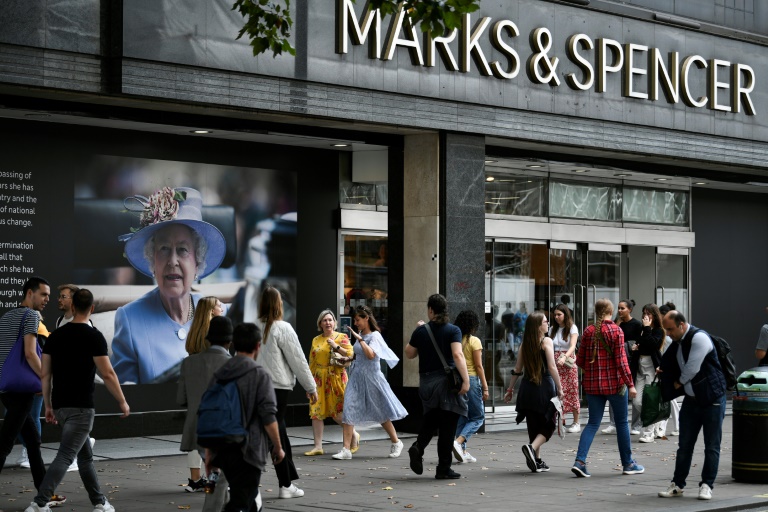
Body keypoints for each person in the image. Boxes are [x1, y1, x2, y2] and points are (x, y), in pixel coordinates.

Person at [24, 288, 130, 512]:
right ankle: (39, 503)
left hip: (61, 405)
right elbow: (108, 373)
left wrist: (49, 404)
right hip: (81, 408)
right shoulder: (94, 337)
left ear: (72, 307)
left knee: (85, 457)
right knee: (66, 456)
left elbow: (45, 374)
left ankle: (99, 502)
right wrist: (122, 401)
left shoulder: (56, 336)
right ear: (91, 308)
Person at [111, 187, 227, 384]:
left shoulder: (219, 313)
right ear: (152, 260)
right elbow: (127, 400)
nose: (172, 261)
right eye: (164, 249)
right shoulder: (129, 320)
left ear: (197, 262)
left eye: (182, 250)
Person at [204, 323, 284, 512]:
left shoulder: (220, 374)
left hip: (223, 450)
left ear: (233, 344)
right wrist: (278, 448)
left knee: (245, 496)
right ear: (258, 346)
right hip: (250, 450)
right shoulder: (260, 375)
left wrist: (210, 454)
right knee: (241, 502)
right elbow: (268, 417)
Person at [658, 310, 726, 501]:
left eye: (670, 329)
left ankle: (707, 485)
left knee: (712, 446)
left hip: (712, 399)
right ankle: (678, 485)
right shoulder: (677, 342)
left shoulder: (699, 338)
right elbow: (670, 362)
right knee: (684, 446)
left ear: (681, 325)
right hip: (691, 400)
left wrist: (679, 381)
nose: (668, 333)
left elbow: (692, 369)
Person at [571, 298, 643, 478]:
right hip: (615, 385)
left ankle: (580, 461)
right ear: (612, 311)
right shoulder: (616, 331)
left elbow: (580, 361)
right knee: (621, 424)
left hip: (593, 386)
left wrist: (594, 371)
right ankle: (628, 463)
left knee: (593, 423)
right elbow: (621, 362)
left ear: (596, 311)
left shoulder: (588, 331)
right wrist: (631, 384)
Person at [256, 286, 317, 499]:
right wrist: (310, 387)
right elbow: (298, 360)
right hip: (278, 388)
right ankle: (285, 484)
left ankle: (253, 482)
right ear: (279, 304)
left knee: (259, 433)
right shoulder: (283, 328)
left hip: (255, 388)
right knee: (278, 434)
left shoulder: (252, 327)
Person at [405, 294, 469, 480]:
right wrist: (465, 380)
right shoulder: (453, 330)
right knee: (448, 426)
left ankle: (418, 447)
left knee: (432, 419)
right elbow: (457, 355)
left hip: (426, 383)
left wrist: (419, 331)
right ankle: (443, 468)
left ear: (430, 310)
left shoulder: (421, 331)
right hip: (445, 383)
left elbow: (409, 353)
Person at [332, 305, 406, 460]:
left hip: (372, 379)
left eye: (358, 320)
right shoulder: (361, 335)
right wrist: (346, 356)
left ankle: (396, 441)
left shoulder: (375, 336)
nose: (356, 323)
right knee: (349, 409)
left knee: (380, 412)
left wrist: (359, 339)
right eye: (355, 320)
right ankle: (346, 449)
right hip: (356, 378)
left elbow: (371, 355)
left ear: (366, 318)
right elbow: (358, 355)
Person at [0, 277, 49, 492]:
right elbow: (30, 353)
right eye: (43, 294)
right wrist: (45, 378)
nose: (47, 299)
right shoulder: (30, 315)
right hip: (22, 389)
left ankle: (45, 491)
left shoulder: (7, 316)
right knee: (5, 442)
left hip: (6, 386)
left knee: (33, 441)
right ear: (30, 293)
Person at [177, 316, 232, 497]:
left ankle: (213, 491)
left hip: (198, 428)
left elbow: (181, 399)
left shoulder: (188, 363)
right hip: (226, 430)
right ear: (229, 340)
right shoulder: (234, 364)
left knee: (214, 472)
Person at [504, 311, 563, 473]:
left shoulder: (525, 344)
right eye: (545, 322)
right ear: (538, 326)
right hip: (544, 388)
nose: (548, 324)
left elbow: (517, 369)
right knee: (549, 424)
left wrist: (510, 390)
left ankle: (536, 460)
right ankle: (531, 448)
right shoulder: (546, 341)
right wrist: (560, 387)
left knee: (534, 425)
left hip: (527, 389)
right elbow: (551, 367)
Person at [304, 309, 356, 457]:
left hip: (336, 378)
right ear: (320, 323)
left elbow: (351, 355)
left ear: (335, 323)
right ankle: (317, 446)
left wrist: (335, 345)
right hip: (319, 379)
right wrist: (309, 384)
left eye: (330, 320)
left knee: (337, 413)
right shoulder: (316, 340)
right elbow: (312, 362)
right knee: (316, 412)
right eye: (324, 320)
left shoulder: (342, 337)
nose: (327, 322)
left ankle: (353, 435)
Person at [452, 310, 488, 464]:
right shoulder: (474, 341)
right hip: (472, 379)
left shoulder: (454, 340)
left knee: (463, 415)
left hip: (457, 380)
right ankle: (459, 442)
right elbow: (479, 366)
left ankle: (463, 451)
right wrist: (485, 387)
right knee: (478, 416)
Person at [602, 299, 642, 435]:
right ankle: (613, 423)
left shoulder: (637, 324)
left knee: (633, 393)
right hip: (616, 362)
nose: (620, 311)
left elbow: (639, 344)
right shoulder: (615, 324)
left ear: (630, 309)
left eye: (622, 308)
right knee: (616, 391)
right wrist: (617, 324)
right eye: (618, 308)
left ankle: (636, 425)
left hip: (630, 361)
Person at [633, 304, 665, 443]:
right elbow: (641, 343)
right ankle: (654, 420)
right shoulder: (642, 329)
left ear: (654, 315)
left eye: (649, 313)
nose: (645, 316)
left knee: (649, 402)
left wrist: (647, 329)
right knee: (637, 401)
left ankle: (649, 433)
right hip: (640, 368)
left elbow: (653, 345)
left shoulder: (658, 331)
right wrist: (636, 346)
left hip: (652, 369)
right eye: (644, 313)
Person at [550, 304, 580, 433]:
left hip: (567, 362)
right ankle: (560, 421)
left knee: (572, 390)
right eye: (555, 315)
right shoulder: (552, 329)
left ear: (565, 315)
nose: (556, 317)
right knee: (558, 391)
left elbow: (573, 346)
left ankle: (576, 422)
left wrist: (564, 357)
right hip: (555, 361)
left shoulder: (572, 328)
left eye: (559, 315)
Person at [656, 301, 680, 438]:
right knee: (670, 399)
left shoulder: (667, 333)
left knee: (668, 398)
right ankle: (674, 426)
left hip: (666, 368)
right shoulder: (666, 331)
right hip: (666, 367)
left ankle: (663, 428)